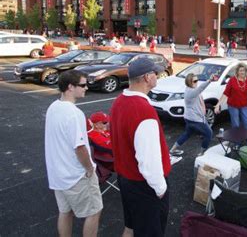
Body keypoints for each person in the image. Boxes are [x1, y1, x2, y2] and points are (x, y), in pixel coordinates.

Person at [110, 58, 171, 237]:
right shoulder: (143, 111)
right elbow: (148, 160)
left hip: (126, 179)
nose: (158, 75)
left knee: (131, 226)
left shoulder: (120, 101)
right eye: (155, 73)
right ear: (146, 77)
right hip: (144, 187)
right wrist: (160, 188)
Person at [45, 70, 102, 237]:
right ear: (70, 87)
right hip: (75, 176)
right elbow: (80, 147)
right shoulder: (74, 113)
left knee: (65, 212)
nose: (86, 88)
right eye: (83, 85)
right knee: (94, 212)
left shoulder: (53, 107)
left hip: (58, 175)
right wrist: (89, 169)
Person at [169, 72, 216, 156]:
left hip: (189, 117)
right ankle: (202, 153)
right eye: (194, 81)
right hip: (195, 118)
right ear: (189, 82)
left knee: (187, 134)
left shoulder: (190, 89)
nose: (196, 82)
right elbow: (201, 88)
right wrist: (209, 80)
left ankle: (172, 150)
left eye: (197, 80)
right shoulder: (191, 92)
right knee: (209, 133)